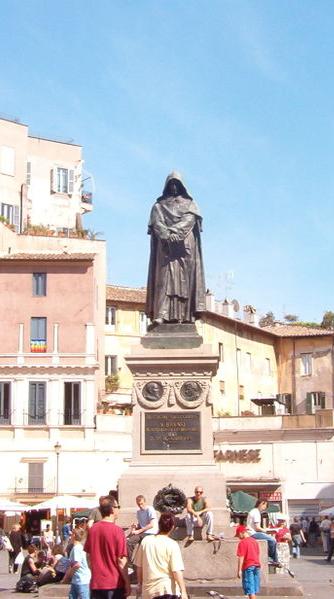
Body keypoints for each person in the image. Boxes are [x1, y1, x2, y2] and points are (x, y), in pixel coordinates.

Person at [146, 172, 206, 325]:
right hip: (165, 248)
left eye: (176, 184)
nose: (173, 187)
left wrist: (175, 232)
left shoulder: (190, 204)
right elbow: (157, 223)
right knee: (163, 280)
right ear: (166, 186)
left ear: (182, 186)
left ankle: (185, 316)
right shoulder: (158, 206)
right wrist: (166, 235)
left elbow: (189, 220)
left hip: (185, 248)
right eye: (171, 184)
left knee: (185, 281)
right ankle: (161, 314)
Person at [84, 496, 130, 599]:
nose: (119, 509)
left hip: (96, 584)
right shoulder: (118, 531)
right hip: (114, 584)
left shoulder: (93, 530)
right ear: (112, 509)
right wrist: (127, 582)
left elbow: (88, 556)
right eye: (118, 506)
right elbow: (121, 560)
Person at [135, 511, 187, 599]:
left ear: (159, 525)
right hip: (167, 589)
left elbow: (139, 567)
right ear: (172, 527)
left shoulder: (145, 541)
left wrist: (139, 584)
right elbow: (176, 570)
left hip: (149, 591)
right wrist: (183, 591)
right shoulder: (172, 544)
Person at [246, 500, 279, 565]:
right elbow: (257, 528)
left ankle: (273, 559)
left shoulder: (253, 511)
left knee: (270, 539)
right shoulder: (256, 513)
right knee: (272, 540)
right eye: (265, 506)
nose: (265, 508)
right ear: (262, 503)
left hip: (251, 533)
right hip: (253, 533)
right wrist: (266, 531)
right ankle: (272, 559)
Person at [127, 495, 158, 560]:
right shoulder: (138, 512)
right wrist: (136, 526)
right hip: (143, 532)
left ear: (145, 502)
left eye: (142, 504)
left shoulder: (150, 509)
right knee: (128, 540)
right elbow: (141, 524)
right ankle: (128, 563)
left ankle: (131, 564)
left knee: (133, 542)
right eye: (138, 504)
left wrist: (139, 531)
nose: (140, 506)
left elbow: (151, 524)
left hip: (151, 532)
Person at [63, 528, 91, 599]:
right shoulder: (79, 547)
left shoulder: (76, 548)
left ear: (74, 535)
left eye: (71, 534)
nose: (70, 537)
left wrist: (68, 575)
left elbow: (77, 565)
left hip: (81, 580)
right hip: (77, 580)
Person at [236, 525, 261, 599]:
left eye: (238, 535)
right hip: (256, 565)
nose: (238, 537)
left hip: (248, 566)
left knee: (250, 589)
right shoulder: (254, 541)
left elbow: (241, 557)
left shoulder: (242, 542)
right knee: (254, 588)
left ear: (241, 533)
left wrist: (239, 570)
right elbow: (257, 553)